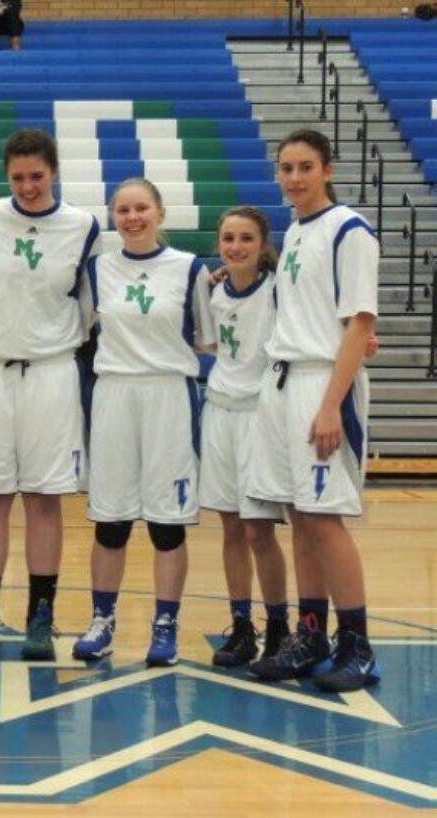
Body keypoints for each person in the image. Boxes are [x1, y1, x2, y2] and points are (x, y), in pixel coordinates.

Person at [0, 129, 101, 662]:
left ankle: (42, 615)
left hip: (51, 372)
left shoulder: (83, 227)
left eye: (37, 176)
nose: (28, 186)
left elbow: (91, 306)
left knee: (44, 498)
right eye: (18, 177)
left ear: (54, 172)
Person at [244, 129, 381, 693]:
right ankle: (310, 634)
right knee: (300, 514)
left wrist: (330, 404)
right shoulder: (297, 234)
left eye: (305, 167)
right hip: (282, 381)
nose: (294, 177)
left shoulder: (349, 230)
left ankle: (358, 645)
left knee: (324, 517)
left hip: (322, 384)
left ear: (327, 169)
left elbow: (361, 324)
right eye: (286, 168)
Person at [73, 178, 214, 667]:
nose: (131, 217)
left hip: (168, 395)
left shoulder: (189, 269)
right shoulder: (96, 271)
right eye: (123, 210)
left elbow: (210, 339)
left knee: (166, 524)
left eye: (141, 209)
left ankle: (165, 625)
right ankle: (102, 620)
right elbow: (79, 330)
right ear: (114, 217)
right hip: (113, 393)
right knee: (110, 520)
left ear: (160, 213)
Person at [199, 207, 291, 667]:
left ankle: (279, 628)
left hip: (259, 414)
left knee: (259, 530)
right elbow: (210, 346)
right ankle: (241, 627)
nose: (235, 247)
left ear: (262, 244)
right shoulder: (214, 292)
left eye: (245, 239)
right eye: (229, 238)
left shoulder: (278, 291)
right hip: (220, 411)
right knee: (230, 526)